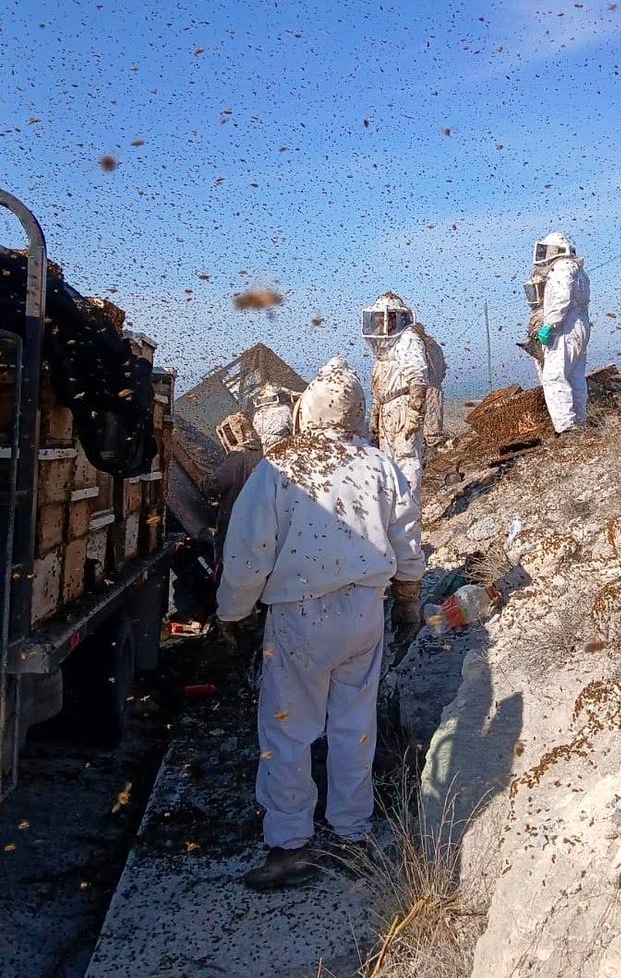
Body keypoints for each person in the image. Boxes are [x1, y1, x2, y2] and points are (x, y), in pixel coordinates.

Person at [216, 357, 424, 892]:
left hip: (300, 619)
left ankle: (290, 847)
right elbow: (406, 541)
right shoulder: (379, 464)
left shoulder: (279, 470)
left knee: (288, 729)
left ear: (307, 409)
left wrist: (231, 616)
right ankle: (353, 836)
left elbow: (247, 555)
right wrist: (406, 603)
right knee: (355, 725)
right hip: (364, 614)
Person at [362, 292, 429, 505]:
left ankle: (409, 512)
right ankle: (396, 515)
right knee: (389, 464)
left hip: (403, 406)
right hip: (387, 409)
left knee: (407, 461)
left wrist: (414, 412)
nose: (381, 322)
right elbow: (379, 388)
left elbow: (418, 377)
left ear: (397, 318)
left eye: (386, 317)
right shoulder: (383, 350)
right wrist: (375, 417)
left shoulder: (408, 339)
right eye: (378, 318)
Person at [530, 232, 591, 433]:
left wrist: (550, 324)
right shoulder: (579, 271)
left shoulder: (562, 268)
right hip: (579, 325)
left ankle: (567, 427)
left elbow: (561, 299)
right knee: (575, 377)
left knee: (554, 377)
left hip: (564, 328)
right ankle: (579, 422)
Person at [206, 412, 263, 563]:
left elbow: (218, 483)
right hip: (259, 518)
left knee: (227, 561)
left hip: (235, 518)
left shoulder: (239, 454)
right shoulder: (263, 451)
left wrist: (205, 483)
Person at [418, 327, 447, 448]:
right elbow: (443, 369)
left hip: (428, 388)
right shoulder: (434, 346)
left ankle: (431, 456)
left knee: (432, 432)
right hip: (433, 388)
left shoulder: (421, 346)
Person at [252, 383, 294, 454]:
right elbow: (295, 429)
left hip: (266, 452)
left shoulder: (257, 415)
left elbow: (256, 435)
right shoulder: (285, 410)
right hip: (285, 447)